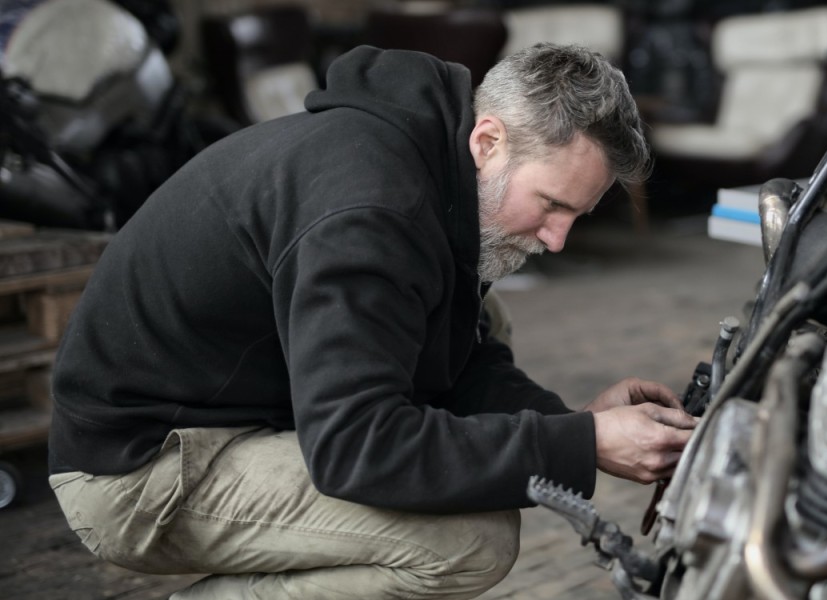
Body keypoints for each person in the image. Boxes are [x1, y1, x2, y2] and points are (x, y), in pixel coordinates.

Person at [46, 43, 697, 599]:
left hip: (234, 412)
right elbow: (358, 447)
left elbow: (459, 363)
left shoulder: (435, 168)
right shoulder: (370, 212)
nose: (558, 240)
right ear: (489, 140)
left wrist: (577, 426)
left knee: (486, 319)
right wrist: (583, 446)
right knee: (469, 541)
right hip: (138, 467)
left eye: (576, 216)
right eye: (552, 205)